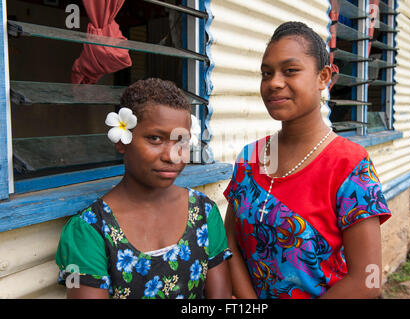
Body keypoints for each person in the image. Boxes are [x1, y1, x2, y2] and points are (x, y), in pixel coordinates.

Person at [223, 21, 391, 299]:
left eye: (290, 71)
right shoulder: (249, 158)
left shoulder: (349, 165)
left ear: (323, 77)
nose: (274, 82)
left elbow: (367, 280)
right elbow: (231, 242)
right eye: (267, 73)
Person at [56, 78, 232, 299]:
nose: (172, 156)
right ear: (122, 140)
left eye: (182, 141)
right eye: (155, 138)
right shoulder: (89, 231)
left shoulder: (204, 213)